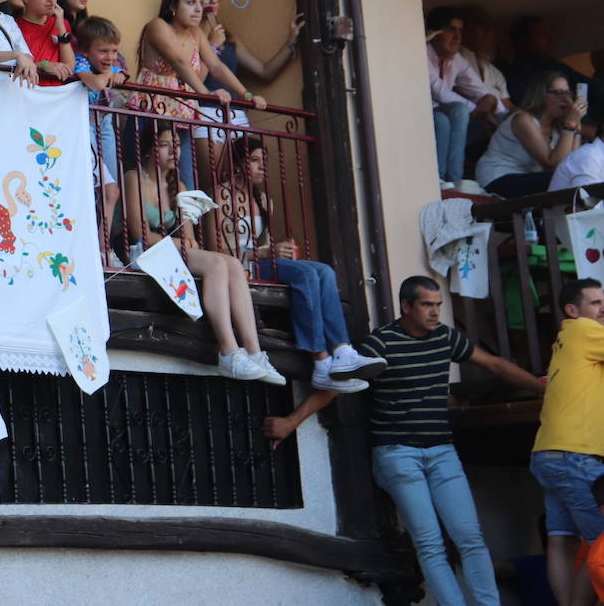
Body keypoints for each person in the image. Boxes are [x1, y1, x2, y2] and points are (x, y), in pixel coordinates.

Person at [264, 276, 544, 606]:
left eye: (438, 305)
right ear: (406, 307)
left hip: (442, 451)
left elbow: (494, 364)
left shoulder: (445, 337)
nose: (435, 312)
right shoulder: (381, 343)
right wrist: (290, 421)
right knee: (429, 543)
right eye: (427, 304)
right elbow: (334, 387)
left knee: (470, 537)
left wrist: (544, 390)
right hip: (398, 454)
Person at [217, 136, 387, 391]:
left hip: (261, 260)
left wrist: (275, 249)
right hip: (241, 267)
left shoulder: (263, 200)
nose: (262, 167)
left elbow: (262, 241)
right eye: (254, 160)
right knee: (306, 276)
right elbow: (218, 248)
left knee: (324, 271)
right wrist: (264, 254)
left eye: (263, 161)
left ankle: (342, 351)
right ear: (238, 163)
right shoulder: (220, 195)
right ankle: (320, 361)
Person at [131, 121, 282, 384]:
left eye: (176, 146)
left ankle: (255, 353)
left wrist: (185, 243)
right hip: (144, 251)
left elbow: (188, 234)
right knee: (215, 265)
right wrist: (180, 244)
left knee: (232, 264)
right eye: (166, 145)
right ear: (148, 149)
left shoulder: (178, 184)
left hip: (172, 250)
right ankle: (229, 352)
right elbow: (138, 231)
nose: (173, 152)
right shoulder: (133, 177)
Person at [122, 0, 266, 192]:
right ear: (172, 5)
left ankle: (186, 225)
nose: (198, 9)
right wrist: (206, 93)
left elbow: (216, 66)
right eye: (191, 3)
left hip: (182, 118)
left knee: (186, 187)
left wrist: (246, 95)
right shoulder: (157, 26)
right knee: (142, 183)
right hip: (149, 115)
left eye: (201, 3)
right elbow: (179, 62)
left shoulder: (196, 34)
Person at [531, 279, 604, 606]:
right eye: (596, 303)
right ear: (573, 311)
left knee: (560, 540)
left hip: (549, 454)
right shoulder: (583, 331)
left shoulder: (567, 340)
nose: (603, 308)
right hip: (576, 455)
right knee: (600, 543)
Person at [198, 0, 303, 139]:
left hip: (237, 114)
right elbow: (192, 81)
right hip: (206, 113)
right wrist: (212, 46)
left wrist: (291, 41)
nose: (212, 1)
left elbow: (265, 72)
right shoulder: (190, 38)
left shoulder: (229, 38)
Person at [426, 7, 505, 190]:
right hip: (418, 116)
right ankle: (444, 180)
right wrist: (478, 111)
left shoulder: (456, 59)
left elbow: (482, 91)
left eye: (460, 31)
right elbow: (440, 92)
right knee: (449, 117)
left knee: (469, 121)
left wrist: (501, 117)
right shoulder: (422, 51)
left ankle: (454, 182)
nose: (457, 36)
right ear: (434, 32)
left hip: (443, 118)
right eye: (450, 29)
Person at [475, 70, 583, 198]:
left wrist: (576, 124)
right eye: (558, 93)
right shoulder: (523, 119)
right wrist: (570, 125)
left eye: (567, 93)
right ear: (541, 94)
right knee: (562, 180)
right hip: (497, 178)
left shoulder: (558, 129)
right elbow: (552, 162)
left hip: (524, 178)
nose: (566, 99)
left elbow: (572, 163)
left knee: (573, 177)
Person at [73, 16, 127, 266]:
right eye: (103, 50)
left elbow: (124, 78)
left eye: (114, 51)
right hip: (82, 127)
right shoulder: (80, 62)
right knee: (106, 189)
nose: (110, 57)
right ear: (85, 50)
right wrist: (109, 77)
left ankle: (102, 244)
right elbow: (94, 81)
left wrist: (119, 77)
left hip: (102, 124)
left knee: (111, 188)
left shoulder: (110, 67)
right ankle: (100, 246)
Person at [503, 16, 602, 119]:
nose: (549, 39)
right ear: (524, 40)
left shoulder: (557, 66)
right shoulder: (516, 75)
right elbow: (536, 112)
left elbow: (592, 86)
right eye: (543, 35)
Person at [13, 0, 73, 85]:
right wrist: (42, 65)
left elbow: (69, 67)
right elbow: (14, 70)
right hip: (28, 95)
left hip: (57, 96)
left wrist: (61, 27)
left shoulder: (62, 24)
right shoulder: (13, 27)